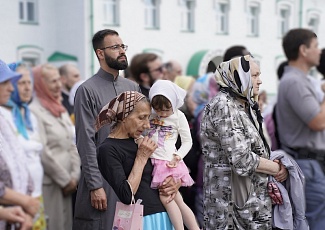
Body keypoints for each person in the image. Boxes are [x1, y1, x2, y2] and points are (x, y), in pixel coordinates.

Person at [200, 55, 288, 229]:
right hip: (231, 208)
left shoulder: (243, 103)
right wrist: (277, 169)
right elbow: (242, 159)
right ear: (236, 77)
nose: (260, 81)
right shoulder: (224, 105)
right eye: (254, 76)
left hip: (250, 205)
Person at [73, 29, 141, 230]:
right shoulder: (87, 90)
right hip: (102, 180)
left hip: (130, 178)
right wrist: (95, 185)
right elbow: (85, 141)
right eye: (115, 47)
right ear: (100, 53)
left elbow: (140, 133)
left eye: (122, 46)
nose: (121, 51)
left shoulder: (133, 88)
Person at [96, 91, 180, 229]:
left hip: (165, 215)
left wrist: (174, 183)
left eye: (148, 117)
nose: (147, 125)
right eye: (142, 118)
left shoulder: (139, 141)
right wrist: (141, 158)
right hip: (143, 220)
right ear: (124, 116)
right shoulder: (107, 149)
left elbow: (163, 170)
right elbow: (126, 195)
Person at [276, 28, 325, 230]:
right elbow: (318, 122)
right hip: (306, 162)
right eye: (315, 46)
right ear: (303, 50)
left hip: (309, 161)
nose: (319, 51)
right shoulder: (294, 82)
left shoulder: (299, 80)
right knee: (314, 219)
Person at [141, 80, 199, 230]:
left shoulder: (179, 116)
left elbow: (187, 141)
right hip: (152, 158)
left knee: (166, 197)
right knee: (177, 199)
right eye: (159, 110)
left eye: (167, 110)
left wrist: (178, 156)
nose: (163, 114)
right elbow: (142, 131)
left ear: (174, 104)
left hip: (167, 162)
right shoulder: (150, 113)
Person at [30, 64, 81, 230]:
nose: (59, 85)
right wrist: (65, 180)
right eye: (53, 81)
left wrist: (75, 176)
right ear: (40, 84)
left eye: (59, 80)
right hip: (52, 184)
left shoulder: (60, 110)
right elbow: (43, 151)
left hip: (69, 184)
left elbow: (71, 143)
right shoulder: (34, 111)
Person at [1, 62, 46, 230]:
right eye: (20, 83)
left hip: (33, 195)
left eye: (29, 83)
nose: (27, 88)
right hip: (14, 201)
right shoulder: (4, 115)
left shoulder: (28, 114)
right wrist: (22, 200)